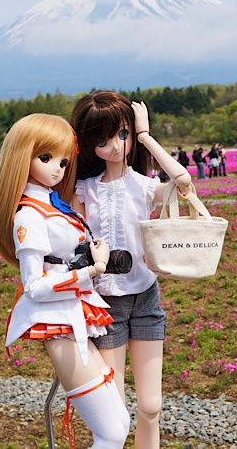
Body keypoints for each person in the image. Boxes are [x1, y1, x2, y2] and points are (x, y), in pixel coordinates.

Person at [0, 113, 129, 449]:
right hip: (58, 323)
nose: (57, 169)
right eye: (46, 157)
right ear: (22, 157)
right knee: (111, 432)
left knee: (120, 423)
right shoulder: (29, 214)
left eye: (64, 162)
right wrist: (91, 270)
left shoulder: (55, 206)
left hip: (75, 318)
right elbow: (34, 287)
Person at [71, 91, 192, 449]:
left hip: (146, 297)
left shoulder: (144, 185)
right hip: (106, 302)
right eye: (102, 140)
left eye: (121, 135)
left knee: (151, 407)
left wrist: (145, 137)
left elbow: (183, 182)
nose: (113, 147)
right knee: (116, 412)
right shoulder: (85, 189)